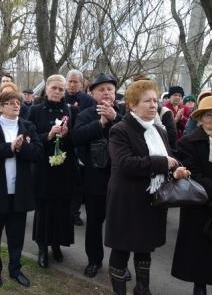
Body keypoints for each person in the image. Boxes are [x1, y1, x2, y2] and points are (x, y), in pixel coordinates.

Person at [105, 79, 190, 295]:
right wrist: (164, 163)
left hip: (152, 200)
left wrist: (175, 171)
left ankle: (143, 290)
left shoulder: (158, 131)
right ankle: (120, 292)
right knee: (122, 249)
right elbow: (125, 164)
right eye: (147, 101)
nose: (154, 105)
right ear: (132, 105)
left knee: (145, 248)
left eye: (155, 101)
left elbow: (169, 158)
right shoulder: (120, 130)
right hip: (127, 201)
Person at [0, 90, 42, 287]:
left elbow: (38, 152)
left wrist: (22, 148)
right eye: (11, 102)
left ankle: (15, 269)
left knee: (16, 236)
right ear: (0, 107)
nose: (16, 105)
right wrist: (9, 148)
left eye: (18, 102)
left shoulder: (28, 126)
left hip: (19, 192)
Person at [72, 73, 122, 278]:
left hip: (122, 179)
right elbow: (76, 138)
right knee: (94, 223)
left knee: (120, 224)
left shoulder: (126, 113)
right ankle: (94, 260)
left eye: (110, 89)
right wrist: (100, 123)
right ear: (92, 93)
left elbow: (138, 136)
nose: (107, 93)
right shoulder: (85, 114)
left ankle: (119, 263)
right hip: (95, 179)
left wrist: (115, 119)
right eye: (101, 89)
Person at [26, 74, 78, 268]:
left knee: (61, 209)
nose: (57, 92)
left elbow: (75, 138)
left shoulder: (69, 110)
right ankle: (42, 247)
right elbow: (29, 137)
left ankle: (57, 244)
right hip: (43, 169)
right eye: (54, 88)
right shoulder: (35, 110)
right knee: (44, 210)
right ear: (46, 88)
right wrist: (48, 135)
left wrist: (67, 134)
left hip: (63, 168)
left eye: (61, 89)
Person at [171, 96, 212, 295]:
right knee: (198, 261)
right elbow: (192, 172)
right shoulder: (189, 141)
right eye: (210, 115)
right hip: (198, 205)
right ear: (200, 119)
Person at [65, 69, 96, 227]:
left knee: (79, 184)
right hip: (64, 144)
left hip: (82, 147)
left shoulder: (88, 100)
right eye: (69, 81)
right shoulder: (61, 97)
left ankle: (75, 213)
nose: (71, 84)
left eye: (75, 81)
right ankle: (65, 212)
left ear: (82, 83)